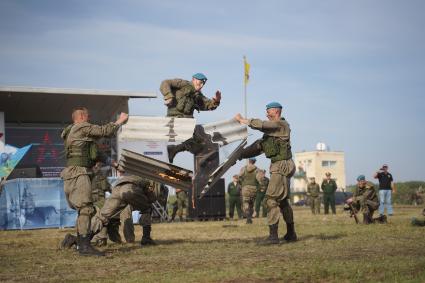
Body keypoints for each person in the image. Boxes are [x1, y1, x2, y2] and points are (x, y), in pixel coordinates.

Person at [60, 107, 128, 256]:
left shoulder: (74, 132)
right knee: (86, 209)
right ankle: (84, 247)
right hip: (79, 173)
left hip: (73, 173)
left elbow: (97, 153)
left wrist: (115, 164)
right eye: (88, 117)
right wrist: (120, 121)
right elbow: (105, 131)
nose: (89, 120)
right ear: (82, 116)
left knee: (84, 210)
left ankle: (77, 241)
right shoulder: (82, 127)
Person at [235, 101, 296, 245]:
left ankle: (273, 237)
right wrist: (240, 154)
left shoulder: (281, 125)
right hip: (280, 166)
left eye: (268, 111)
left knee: (270, 200)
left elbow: (262, 125)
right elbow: (258, 147)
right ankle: (291, 234)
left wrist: (243, 120)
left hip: (281, 166)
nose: (266, 114)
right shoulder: (271, 134)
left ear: (276, 111)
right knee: (282, 202)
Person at [160, 73, 221, 163]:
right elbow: (165, 83)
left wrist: (216, 101)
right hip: (176, 118)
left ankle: (174, 150)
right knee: (192, 142)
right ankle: (199, 156)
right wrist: (168, 96)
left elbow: (207, 105)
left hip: (187, 122)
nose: (201, 85)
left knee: (200, 143)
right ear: (194, 79)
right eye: (200, 82)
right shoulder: (183, 84)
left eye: (203, 84)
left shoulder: (197, 95)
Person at [239, 157, 262, 224]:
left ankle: (248, 219)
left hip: (245, 188)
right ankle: (250, 219)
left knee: (246, 203)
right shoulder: (257, 170)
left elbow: (239, 177)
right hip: (254, 188)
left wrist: (241, 184)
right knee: (251, 204)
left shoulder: (243, 168)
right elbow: (260, 180)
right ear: (255, 161)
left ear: (249, 161)